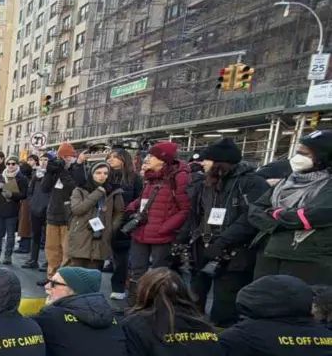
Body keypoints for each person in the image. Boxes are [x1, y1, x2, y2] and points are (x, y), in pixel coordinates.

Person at [181, 138, 268, 327]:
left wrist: (221, 242)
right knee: (193, 299)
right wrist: (183, 238)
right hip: (201, 248)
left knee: (225, 305)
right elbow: (196, 215)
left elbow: (249, 219)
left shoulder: (252, 183)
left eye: (207, 159)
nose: (202, 163)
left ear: (220, 161)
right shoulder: (206, 184)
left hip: (234, 253)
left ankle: (223, 343)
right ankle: (194, 336)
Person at [249, 130, 332, 286]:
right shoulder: (287, 181)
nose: (298, 158)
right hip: (269, 252)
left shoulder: (327, 185)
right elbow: (256, 210)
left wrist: (275, 215)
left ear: (323, 156)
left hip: (307, 259)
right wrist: (279, 221)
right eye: (298, 152)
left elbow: (312, 215)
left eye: (305, 154)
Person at [126, 141, 191, 297]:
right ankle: (135, 304)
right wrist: (131, 207)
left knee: (158, 274)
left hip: (162, 235)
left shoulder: (180, 177)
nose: (147, 159)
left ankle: (155, 306)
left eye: (152, 156)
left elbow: (185, 209)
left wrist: (165, 228)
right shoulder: (150, 177)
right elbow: (145, 199)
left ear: (163, 159)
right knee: (137, 270)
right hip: (141, 230)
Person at [66, 161, 124, 269]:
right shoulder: (80, 190)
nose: (102, 176)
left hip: (102, 237)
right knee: (77, 274)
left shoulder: (114, 191)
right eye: (98, 173)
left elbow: (119, 212)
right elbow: (77, 209)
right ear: (91, 174)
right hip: (81, 235)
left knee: (94, 274)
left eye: (105, 173)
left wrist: (111, 228)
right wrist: (98, 193)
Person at [39, 143, 79, 284]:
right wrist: (50, 171)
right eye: (63, 157)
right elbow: (44, 188)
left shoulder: (76, 170)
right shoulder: (55, 170)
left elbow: (73, 188)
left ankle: (62, 278)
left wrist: (62, 171)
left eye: (68, 157)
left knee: (66, 250)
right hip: (53, 214)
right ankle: (51, 276)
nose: (66, 160)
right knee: (51, 249)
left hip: (68, 216)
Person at [105, 149, 142, 300]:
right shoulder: (104, 175)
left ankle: (119, 286)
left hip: (124, 223)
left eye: (115, 157)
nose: (111, 160)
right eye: (109, 157)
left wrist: (130, 219)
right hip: (104, 221)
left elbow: (139, 200)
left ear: (124, 160)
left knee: (121, 258)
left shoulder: (135, 179)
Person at [0, 157, 29, 265]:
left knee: (10, 235)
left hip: (12, 210)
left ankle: (7, 256)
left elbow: (24, 195)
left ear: (17, 165)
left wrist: (12, 194)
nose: (10, 166)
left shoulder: (21, 178)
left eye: (13, 163)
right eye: (8, 164)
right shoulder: (0, 177)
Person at [23, 153, 49, 271]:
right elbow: (30, 190)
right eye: (42, 159)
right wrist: (32, 202)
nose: (43, 162)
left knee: (49, 237)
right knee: (35, 235)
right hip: (35, 208)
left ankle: (48, 262)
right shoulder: (35, 174)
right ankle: (33, 259)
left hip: (48, 209)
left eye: (46, 159)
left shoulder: (52, 175)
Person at [15, 156, 38, 254]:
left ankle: (24, 246)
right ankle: (24, 244)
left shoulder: (32, 175)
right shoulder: (30, 175)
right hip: (26, 200)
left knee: (25, 225)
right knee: (24, 224)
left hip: (28, 201)